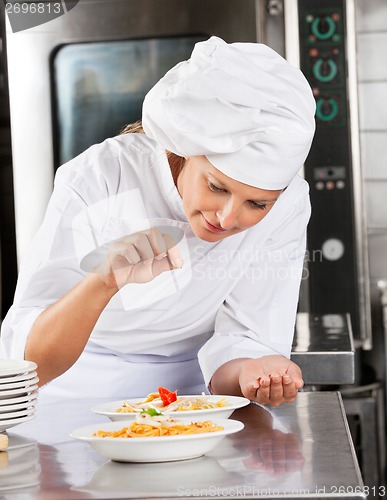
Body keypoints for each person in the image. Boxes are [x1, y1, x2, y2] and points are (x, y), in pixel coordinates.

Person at [0, 36, 315, 406]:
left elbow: (245, 341)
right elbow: (28, 360)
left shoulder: (289, 203)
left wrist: (253, 372)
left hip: (194, 405)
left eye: (257, 205)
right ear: (183, 148)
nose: (228, 217)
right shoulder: (101, 175)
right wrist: (104, 281)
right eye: (216, 186)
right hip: (72, 394)